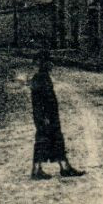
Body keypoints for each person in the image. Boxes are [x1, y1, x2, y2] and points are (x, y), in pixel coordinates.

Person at [29, 51, 84, 180]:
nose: (52, 65)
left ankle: (64, 167)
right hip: (46, 116)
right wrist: (44, 117)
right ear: (44, 64)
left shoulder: (42, 77)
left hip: (48, 115)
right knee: (43, 140)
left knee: (56, 139)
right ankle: (37, 170)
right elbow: (40, 101)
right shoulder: (40, 78)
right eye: (49, 62)